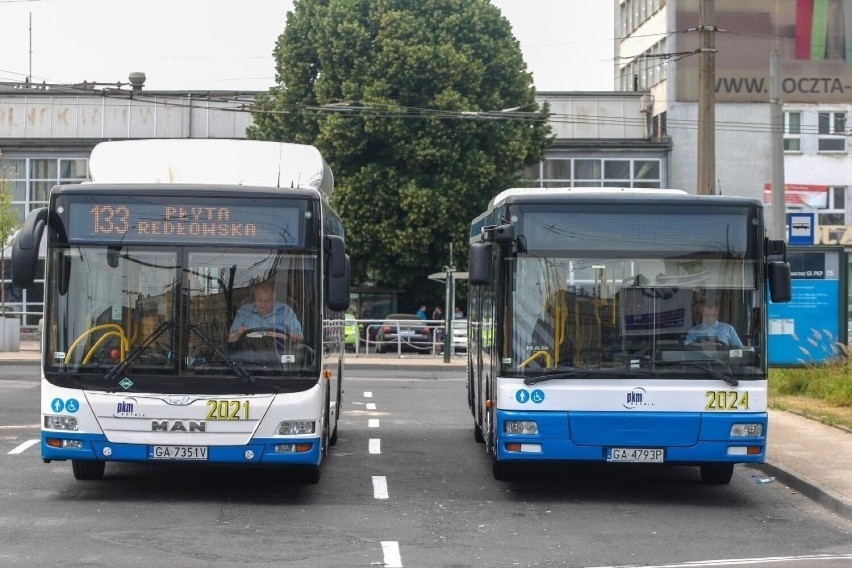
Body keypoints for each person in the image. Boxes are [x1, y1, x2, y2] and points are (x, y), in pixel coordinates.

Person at [228, 281, 303, 343]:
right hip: (249, 356)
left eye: (267, 301)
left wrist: (284, 336)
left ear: (274, 298)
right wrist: (238, 334)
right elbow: (230, 339)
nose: (263, 305)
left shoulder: (286, 311)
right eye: (259, 300)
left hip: (279, 356)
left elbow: (300, 338)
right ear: (255, 297)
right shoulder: (244, 311)